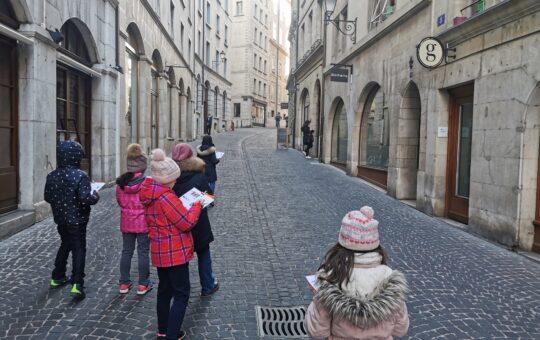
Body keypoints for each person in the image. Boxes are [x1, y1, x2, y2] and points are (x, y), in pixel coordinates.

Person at [305, 206, 410, 340]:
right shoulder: (390, 280)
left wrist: (318, 295)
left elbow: (317, 331)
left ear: (342, 243)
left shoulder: (332, 278)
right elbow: (401, 329)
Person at [139, 149, 204, 340]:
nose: (176, 181)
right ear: (166, 179)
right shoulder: (166, 197)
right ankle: (172, 335)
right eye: (174, 178)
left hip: (160, 251)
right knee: (182, 294)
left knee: (164, 291)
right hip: (174, 252)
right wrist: (196, 206)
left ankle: (163, 330)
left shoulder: (151, 194)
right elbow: (186, 222)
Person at [45, 140, 100, 299]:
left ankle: (58, 276)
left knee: (65, 243)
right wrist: (95, 195)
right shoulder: (80, 175)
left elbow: (47, 197)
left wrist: (61, 202)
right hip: (78, 219)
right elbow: (85, 198)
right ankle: (77, 283)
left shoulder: (52, 175)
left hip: (61, 218)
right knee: (78, 248)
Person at [172, 143, 219, 297]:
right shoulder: (199, 176)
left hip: (178, 223)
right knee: (204, 254)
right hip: (199, 223)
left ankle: (181, 290)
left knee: (181, 259)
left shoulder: (170, 178)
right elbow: (210, 196)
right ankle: (207, 286)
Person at [115, 144, 152, 295]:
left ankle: (124, 283)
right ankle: (143, 285)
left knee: (126, 251)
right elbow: (149, 201)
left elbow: (120, 202)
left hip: (127, 221)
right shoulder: (146, 182)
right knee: (143, 252)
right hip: (143, 222)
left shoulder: (121, 183)